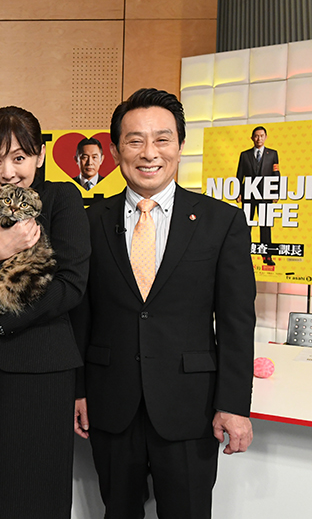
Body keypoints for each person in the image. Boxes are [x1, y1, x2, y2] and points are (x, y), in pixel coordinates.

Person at [72, 88, 256, 519]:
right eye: (135, 140)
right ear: (115, 150)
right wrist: (77, 390)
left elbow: (236, 321)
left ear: (180, 145)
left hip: (191, 405)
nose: (149, 152)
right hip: (110, 402)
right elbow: (80, 315)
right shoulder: (89, 222)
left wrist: (233, 405)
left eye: (162, 139)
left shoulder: (221, 221)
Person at [0, 106, 90, 519]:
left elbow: (70, 284)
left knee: (36, 494)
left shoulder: (62, 198)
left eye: (19, 158)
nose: (7, 172)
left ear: (40, 155)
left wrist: (2, 321)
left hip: (43, 369)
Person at [236, 125, 280, 265]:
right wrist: (238, 192)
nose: (259, 138)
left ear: (265, 137)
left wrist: (275, 192)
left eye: (261, 136)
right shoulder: (245, 155)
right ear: (252, 138)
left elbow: (276, 174)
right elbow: (239, 175)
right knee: (245, 225)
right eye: (256, 136)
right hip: (248, 194)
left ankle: (267, 256)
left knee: (265, 226)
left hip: (266, 195)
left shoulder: (273, 154)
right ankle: (241, 255)